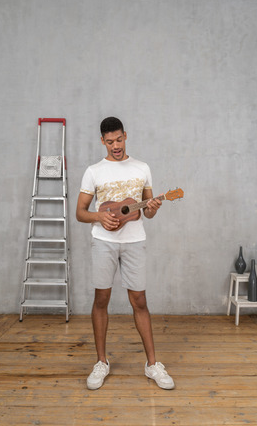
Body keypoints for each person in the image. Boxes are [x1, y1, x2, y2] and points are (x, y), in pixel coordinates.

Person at [76, 117, 175, 390]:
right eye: (110, 141)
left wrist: (154, 206)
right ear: (102, 141)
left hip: (134, 241)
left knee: (140, 301)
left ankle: (152, 364)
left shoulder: (142, 168)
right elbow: (80, 212)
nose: (116, 146)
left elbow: (149, 212)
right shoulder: (93, 171)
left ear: (126, 136)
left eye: (119, 139)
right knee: (101, 299)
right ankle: (101, 362)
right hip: (103, 241)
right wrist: (99, 217)